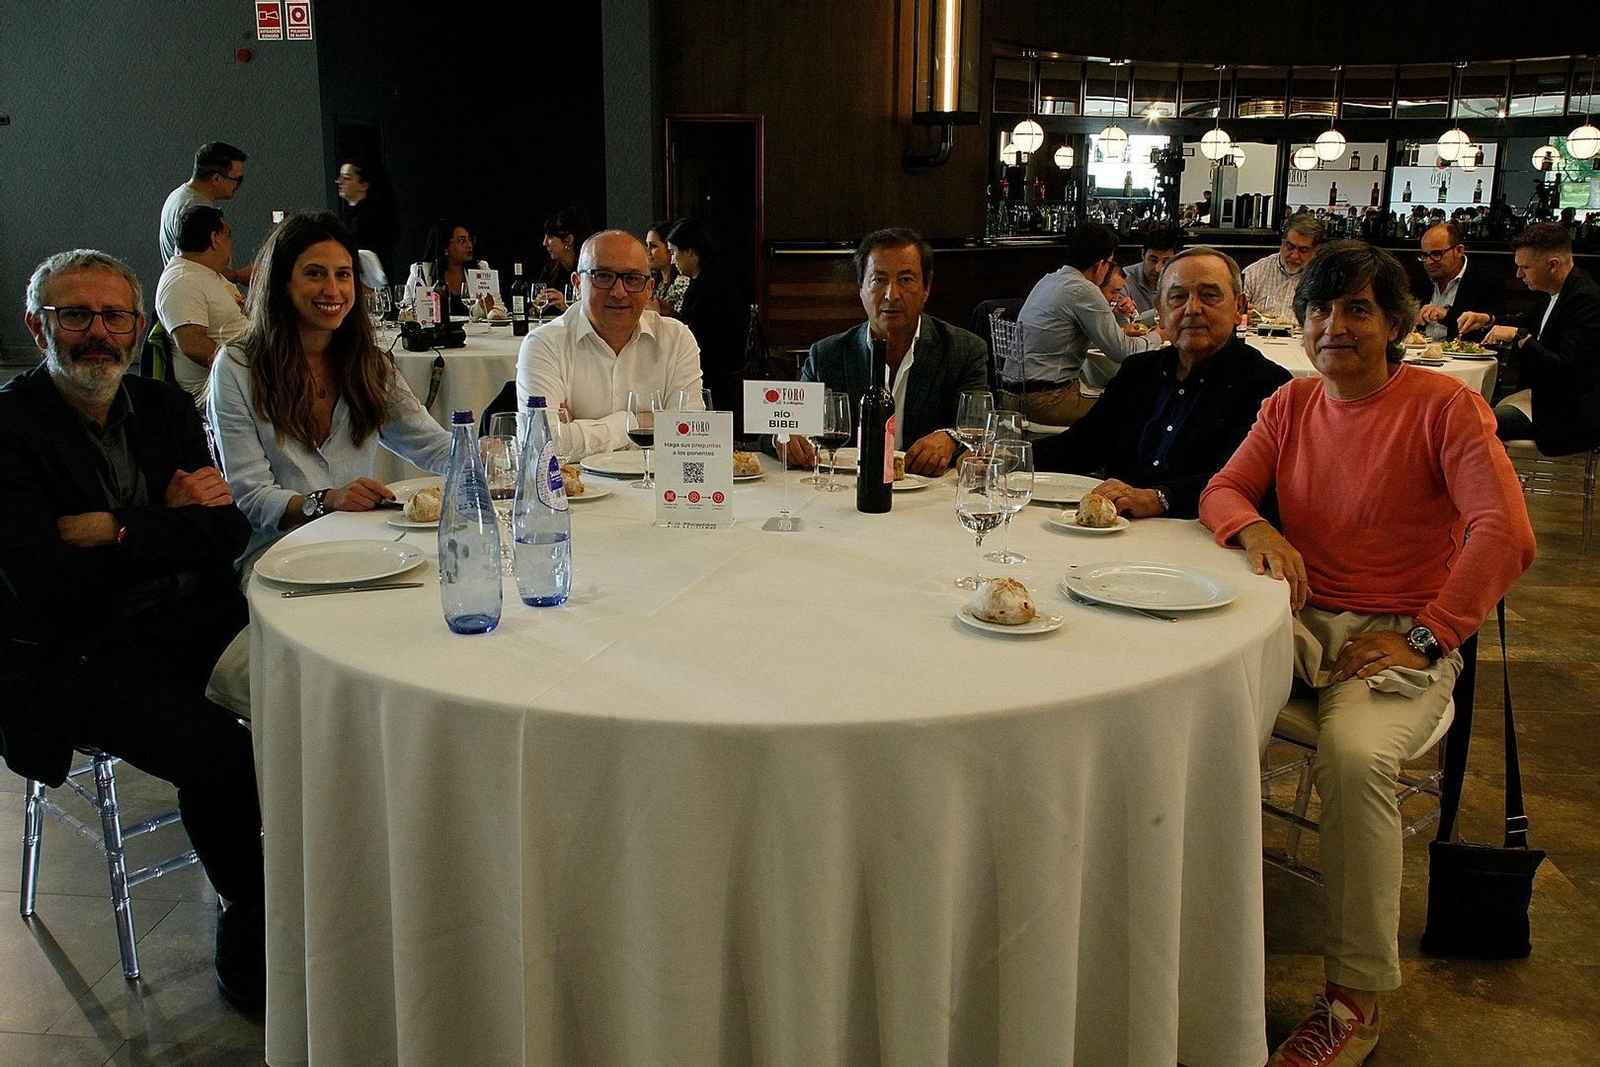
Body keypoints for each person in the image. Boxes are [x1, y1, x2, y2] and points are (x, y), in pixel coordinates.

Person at [1199, 241, 1536, 1067]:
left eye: (1355, 309)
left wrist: (1427, 634)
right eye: (1318, 309)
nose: (1331, 326)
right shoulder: (1292, 404)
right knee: (1191, 710)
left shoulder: (1445, 408)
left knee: (1352, 757)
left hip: (1402, 632)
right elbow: (1223, 488)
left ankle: (1355, 999)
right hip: (1302, 623)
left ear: (1396, 322)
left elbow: (1506, 531)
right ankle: (1192, 951)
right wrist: (1259, 525)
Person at [0, 249, 265, 1009]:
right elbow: (46, 585)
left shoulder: (163, 408)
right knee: (223, 754)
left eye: (115, 316)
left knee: (321, 693)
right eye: (74, 314)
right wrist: (168, 522)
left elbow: (223, 534)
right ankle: (249, 926)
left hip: (190, 618)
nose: (98, 333)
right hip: (80, 654)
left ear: (136, 323)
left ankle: (329, 893)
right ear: (36, 324)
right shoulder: (9, 428)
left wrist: (115, 529)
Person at [210, 213, 452, 561]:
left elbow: (431, 444)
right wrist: (326, 500)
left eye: (343, 274)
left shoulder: (370, 364)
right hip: (277, 555)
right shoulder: (237, 368)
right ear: (282, 282)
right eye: (314, 274)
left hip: (362, 547)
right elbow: (251, 497)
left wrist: (496, 457)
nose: (332, 290)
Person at [1034, 247, 1290, 519]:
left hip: (1203, 535)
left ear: (1239, 307)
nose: (1192, 309)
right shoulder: (1139, 372)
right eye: (1178, 297)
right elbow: (1080, 447)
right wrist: (1007, 457)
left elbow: (1245, 480)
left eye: (1209, 295)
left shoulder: (1266, 385)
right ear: (1160, 310)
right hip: (1118, 531)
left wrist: (1160, 497)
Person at [781, 228, 988, 477]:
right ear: (860, 289)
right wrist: (784, 439)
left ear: (926, 289)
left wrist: (951, 438)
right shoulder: (827, 355)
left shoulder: (964, 351)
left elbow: (980, 428)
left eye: (906, 279)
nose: (892, 294)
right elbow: (782, 425)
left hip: (927, 500)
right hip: (847, 496)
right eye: (879, 280)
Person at [516, 230, 705, 458]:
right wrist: (636, 423)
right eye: (603, 276)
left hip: (654, 488)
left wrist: (574, 433)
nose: (618, 292)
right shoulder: (544, 345)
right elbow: (540, 445)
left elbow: (688, 439)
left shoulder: (676, 340)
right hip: (575, 491)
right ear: (577, 284)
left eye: (633, 279)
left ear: (649, 288)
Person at [1462, 222, 1600, 455]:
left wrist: (1520, 337)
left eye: (1525, 267)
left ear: (1553, 265)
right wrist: (1487, 319)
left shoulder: (1585, 299)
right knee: (1467, 415)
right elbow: (1523, 323)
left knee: (1471, 425)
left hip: (1568, 413)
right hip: (1545, 399)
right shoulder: (1554, 292)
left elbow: (1564, 369)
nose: (1518, 274)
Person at [1014, 222, 1163, 427]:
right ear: (1100, 265)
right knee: (1139, 406)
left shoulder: (1049, 280)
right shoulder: (1084, 290)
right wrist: (1160, 335)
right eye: (1109, 263)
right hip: (1048, 400)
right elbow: (1123, 351)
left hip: (1014, 397)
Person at [154, 205, 248, 404]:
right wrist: (248, 368)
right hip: (220, 391)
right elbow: (192, 344)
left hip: (243, 378)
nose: (231, 242)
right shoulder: (181, 281)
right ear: (215, 239)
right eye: (228, 235)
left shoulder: (206, 272)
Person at [667, 219, 749, 422]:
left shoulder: (708, 286)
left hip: (716, 381)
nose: (672, 261)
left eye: (674, 252)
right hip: (721, 374)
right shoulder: (714, 278)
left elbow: (695, 337)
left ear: (691, 252)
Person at [159, 141, 252, 284]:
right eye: (238, 180)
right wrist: (239, 276)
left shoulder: (178, 196)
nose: (239, 186)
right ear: (216, 178)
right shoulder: (195, 208)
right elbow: (197, 268)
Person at [1410, 221, 1502, 341]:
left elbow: (1486, 329)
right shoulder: (1417, 277)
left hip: (1461, 356)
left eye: (1436, 254)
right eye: (1424, 255)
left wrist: (1447, 316)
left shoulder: (1487, 282)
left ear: (1458, 251)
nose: (1428, 262)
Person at [1242, 213, 1323, 322]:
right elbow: (1234, 314)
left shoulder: (1322, 279)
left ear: (1315, 251)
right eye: (1290, 247)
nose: (1294, 256)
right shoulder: (1254, 273)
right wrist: (1239, 315)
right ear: (1282, 242)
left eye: (1303, 250)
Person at [335, 157, 400, 284]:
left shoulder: (367, 221)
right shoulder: (354, 217)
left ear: (363, 185)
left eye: (347, 177)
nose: (339, 181)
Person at [405, 219, 489, 316]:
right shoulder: (421, 270)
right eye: (462, 241)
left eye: (470, 240)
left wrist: (488, 309)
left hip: (475, 330)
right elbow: (407, 309)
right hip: (435, 330)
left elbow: (499, 309)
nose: (469, 245)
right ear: (445, 248)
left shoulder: (481, 268)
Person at [538, 206, 594, 313]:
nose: (544, 243)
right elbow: (532, 308)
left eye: (549, 237)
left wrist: (566, 307)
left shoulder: (589, 271)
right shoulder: (550, 270)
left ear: (568, 240)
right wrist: (538, 308)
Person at [1124, 228, 1181, 320]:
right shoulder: (1124, 278)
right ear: (1143, 254)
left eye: (1166, 262)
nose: (1158, 269)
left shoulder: (1182, 280)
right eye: (1153, 260)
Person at [646, 220, 690, 315]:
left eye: (653, 246)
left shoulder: (683, 283)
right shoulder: (656, 283)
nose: (648, 251)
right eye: (647, 245)